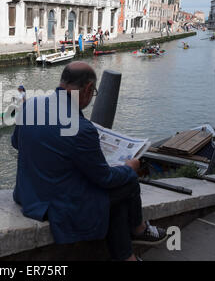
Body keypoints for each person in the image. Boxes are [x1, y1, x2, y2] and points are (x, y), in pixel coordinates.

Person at [11, 61, 167, 261]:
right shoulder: (81, 128)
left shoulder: (30, 105)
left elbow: (17, 143)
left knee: (112, 200)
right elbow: (105, 178)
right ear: (88, 89)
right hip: (57, 204)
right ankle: (138, 229)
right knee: (126, 181)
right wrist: (130, 167)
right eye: (93, 94)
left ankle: (127, 258)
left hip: (28, 194)